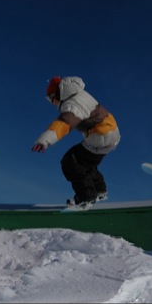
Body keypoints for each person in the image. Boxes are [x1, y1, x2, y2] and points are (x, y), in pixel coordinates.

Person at [31, 76, 120, 209]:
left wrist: (44, 140)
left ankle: (86, 197)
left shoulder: (72, 103)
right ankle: (100, 190)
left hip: (101, 134)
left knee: (70, 161)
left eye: (51, 99)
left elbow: (64, 123)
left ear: (57, 94)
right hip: (112, 133)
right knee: (86, 163)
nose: (53, 103)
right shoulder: (79, 94)